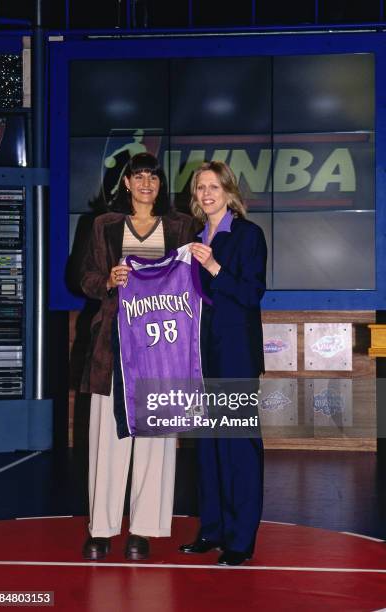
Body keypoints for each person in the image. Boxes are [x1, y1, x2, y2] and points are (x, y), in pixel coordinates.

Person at [80, 152, 198, 561]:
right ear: (126, 184)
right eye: (138, 176)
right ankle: (101, 529)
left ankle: (143, 530)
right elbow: (86, 278)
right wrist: (108, 279)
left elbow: (192, 283)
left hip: (162, 348)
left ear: (160, 184)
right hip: (113, 347)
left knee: (154, 442)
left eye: (153, 176)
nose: (146, 182)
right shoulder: (103, 225)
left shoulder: (181, 226)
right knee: (107, 441)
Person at [179, 161, 267, 566]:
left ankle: (241, 538)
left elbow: (251, 293)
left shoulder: (248, 235)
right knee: (208, 449)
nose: (207, 193)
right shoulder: (191, 239)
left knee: (238, 448)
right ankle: (212, 530)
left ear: (229, 192)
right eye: (200, 187)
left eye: (214, 186)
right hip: (200, 356)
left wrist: (214, 266)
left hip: (234, 354)